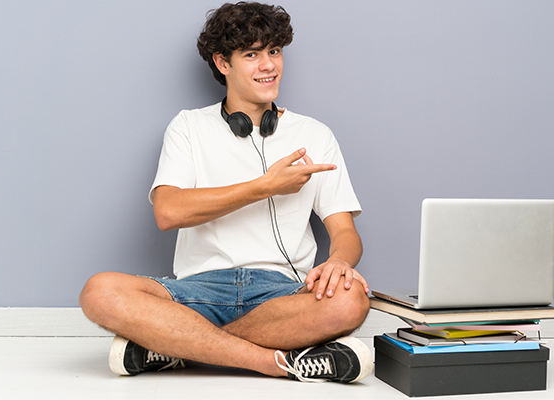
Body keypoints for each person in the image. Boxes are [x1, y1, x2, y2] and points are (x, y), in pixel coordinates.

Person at [79, 2, 373, 383]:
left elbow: (345, 232)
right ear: (222, 63)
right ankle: (274, 362)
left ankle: (173, 347)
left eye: (274, 51)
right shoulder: (188, 127)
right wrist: (265, 186)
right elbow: (168, 212)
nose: (268, 65)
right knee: (99, 292)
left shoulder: (315, 134)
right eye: (251, 54)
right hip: (197, 292)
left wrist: (340, 263)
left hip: (283, 295)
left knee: (352, 301)